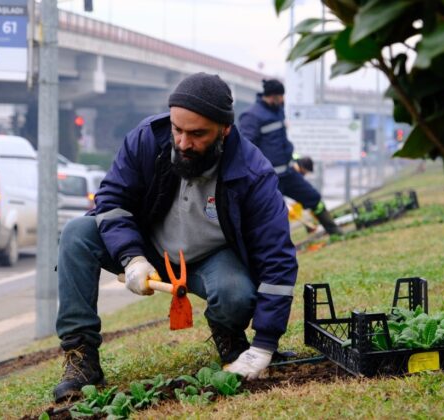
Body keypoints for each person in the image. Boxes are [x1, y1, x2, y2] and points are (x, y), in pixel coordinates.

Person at [53, 72, 298, 402]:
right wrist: (131, 256)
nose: (183, 143)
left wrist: (265, 344)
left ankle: (230, 337)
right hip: (147, 248)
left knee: (235, 295)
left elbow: (278, 260)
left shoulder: (254, 174)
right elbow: (111, 201)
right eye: (178, 129)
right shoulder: (147, 139)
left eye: (197, 134)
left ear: (224, 130)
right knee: (77, 233)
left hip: (209, 259)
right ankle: (81, 357)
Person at [238, 79, 342, 235]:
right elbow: (246, 149)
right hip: (268, 178)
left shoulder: (278, 110)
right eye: (281, 97)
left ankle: (334, 231)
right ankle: (276, 250)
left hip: (287, 173)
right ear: (273, 96)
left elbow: (280, 140)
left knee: (313, 197)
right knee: (274, 216)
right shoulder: (251, 116)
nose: (283, 100)